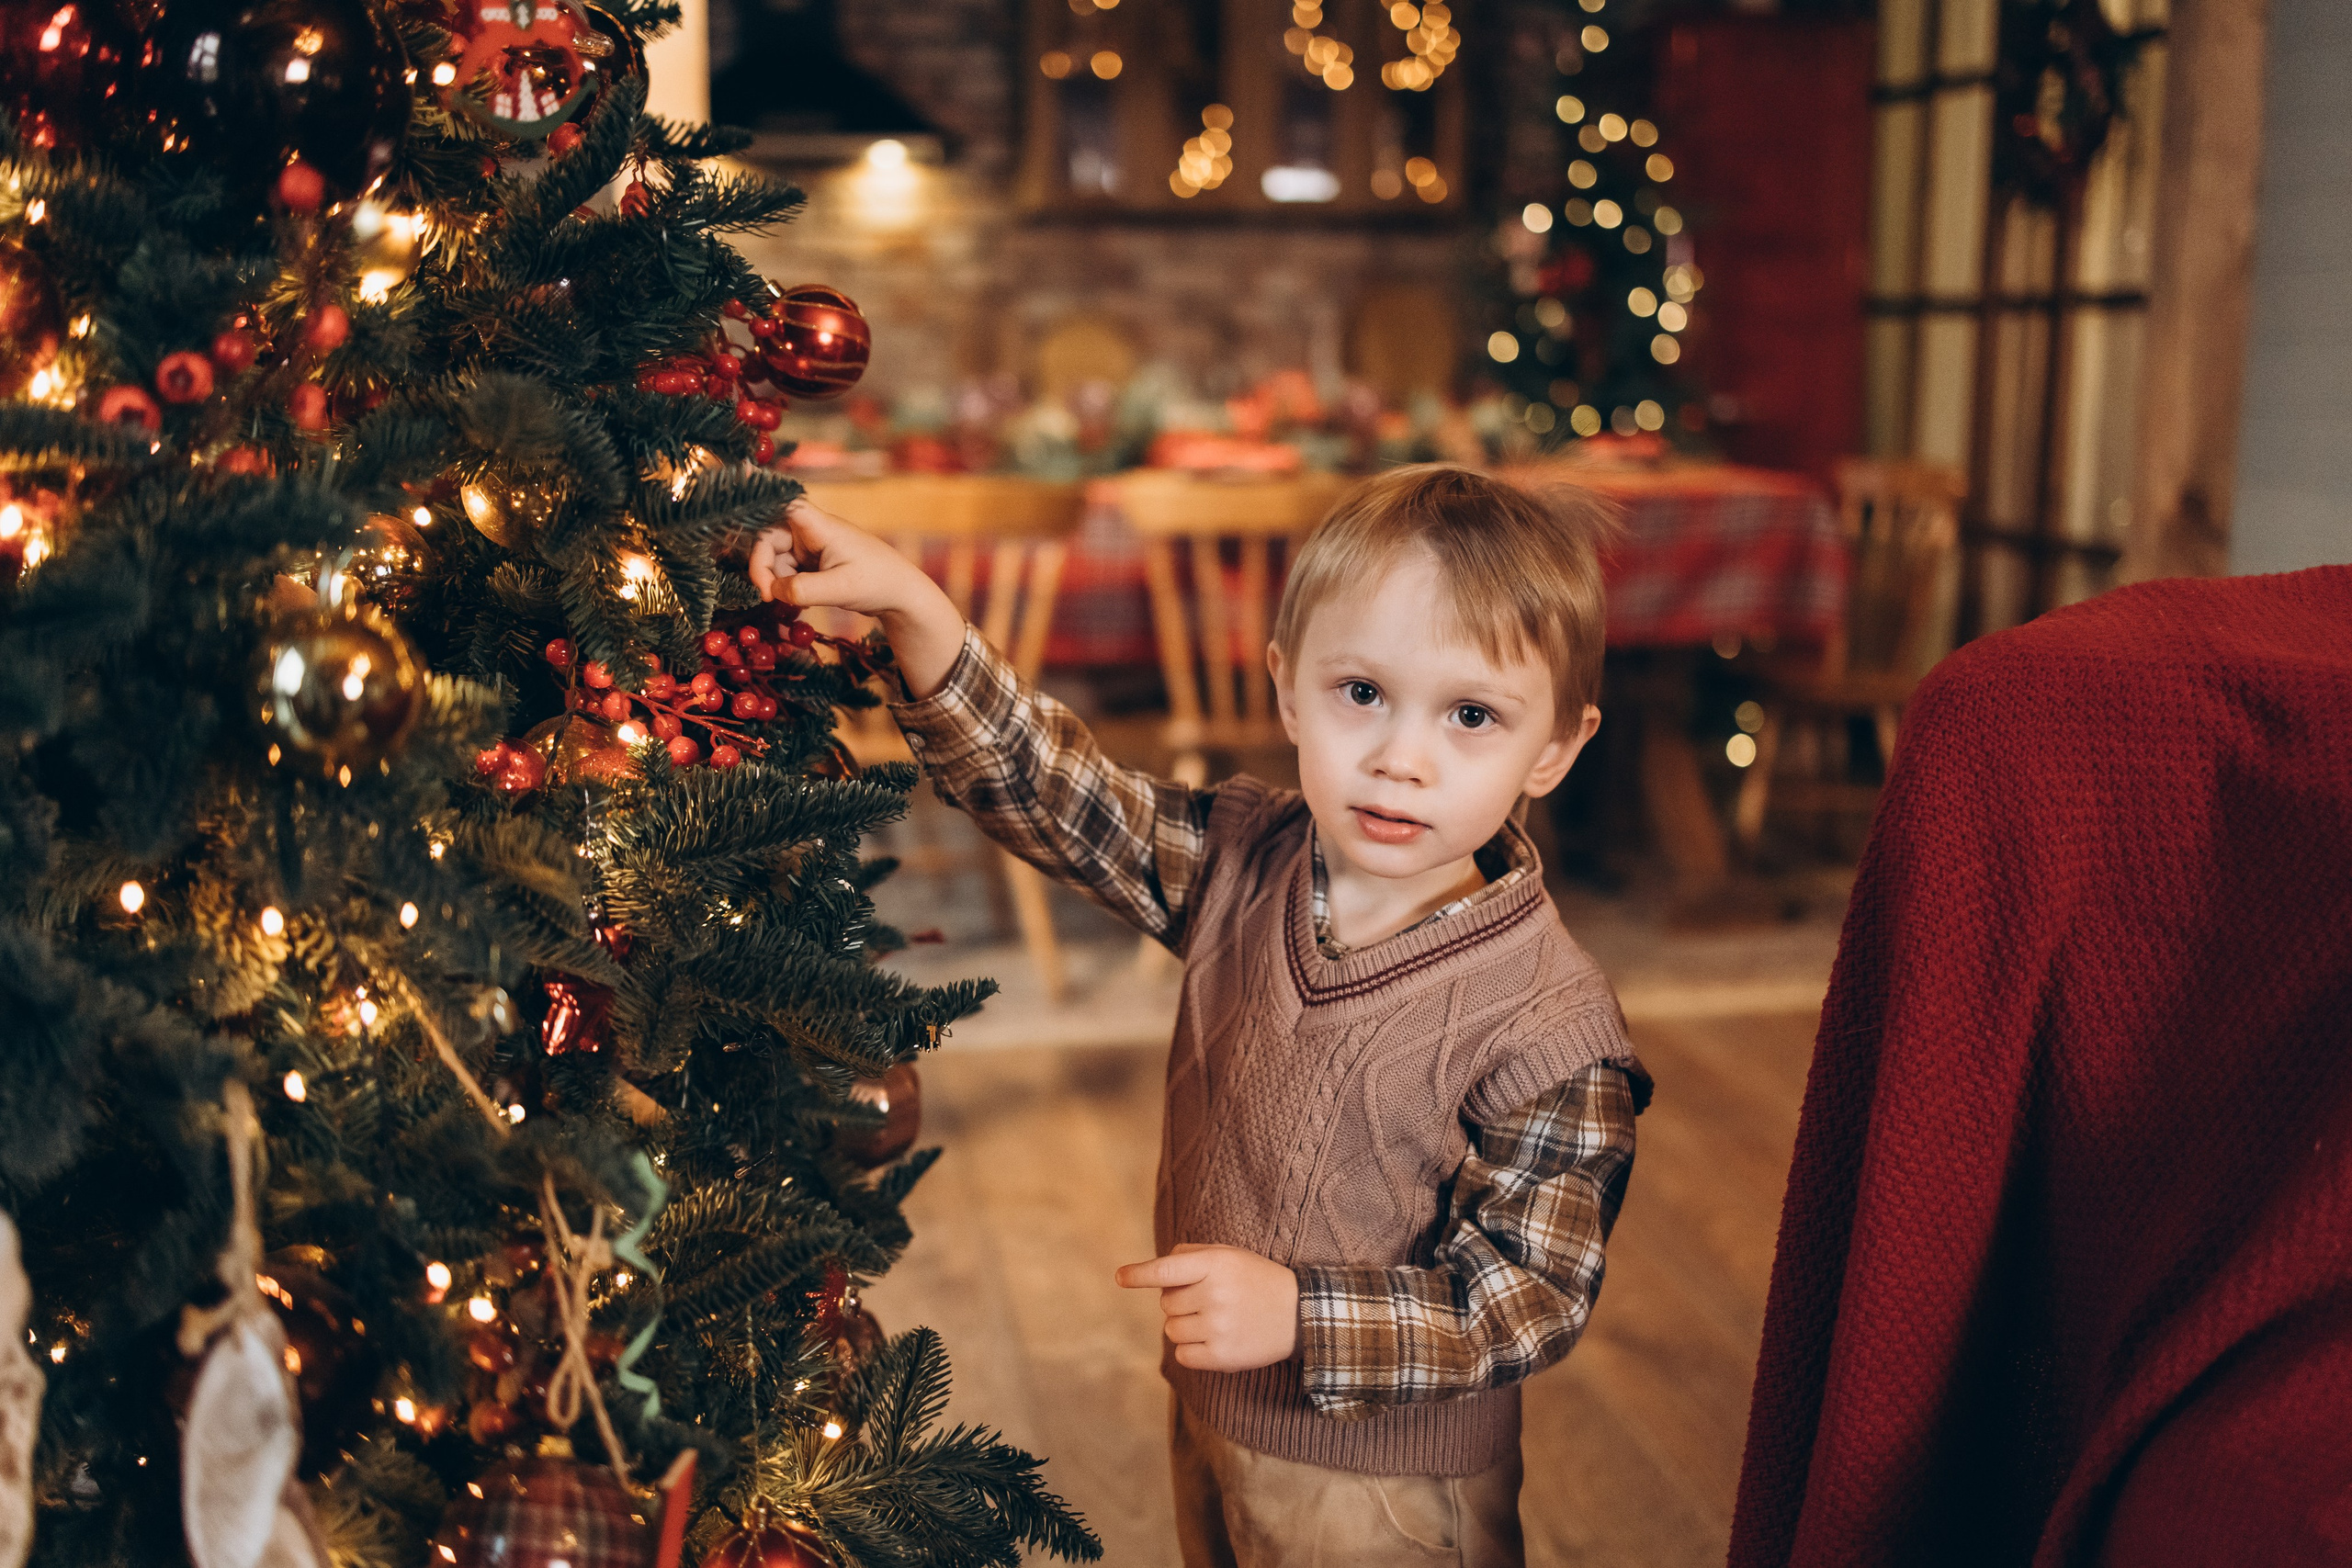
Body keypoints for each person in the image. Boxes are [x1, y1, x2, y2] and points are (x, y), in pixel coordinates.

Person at [750, 465, 1651, 1568]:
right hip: (1213, 1413)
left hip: (1395, 1491)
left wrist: (1301, 1318)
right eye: (1360, 693)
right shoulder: (1243, 860)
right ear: (1286, 685)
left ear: (1553, 747)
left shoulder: (1549, 1027)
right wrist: (921, 617)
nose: (1400, 758)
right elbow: (1050, 791)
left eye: (1471, 716)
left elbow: (1531, 1294)